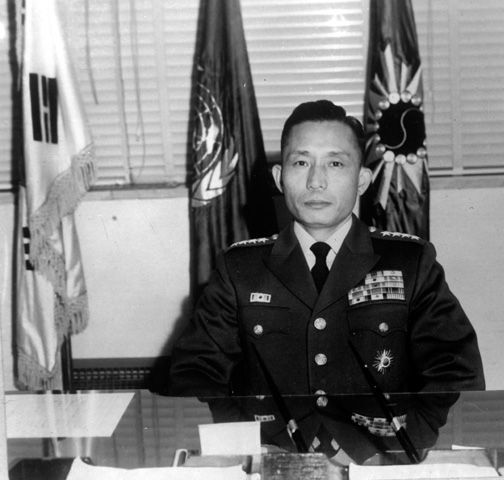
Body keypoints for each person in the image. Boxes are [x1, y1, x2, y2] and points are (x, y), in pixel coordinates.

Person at [168, 99, 484, 460]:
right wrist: (244, 449)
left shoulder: (411, 263)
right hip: (269, 461)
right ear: (278, 178)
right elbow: (194, 376)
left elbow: (457, 373)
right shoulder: (239, 269)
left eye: (335, 163)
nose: (316, 182)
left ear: (362, 180)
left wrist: (401, 451)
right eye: (301, 163)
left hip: (380, 462)